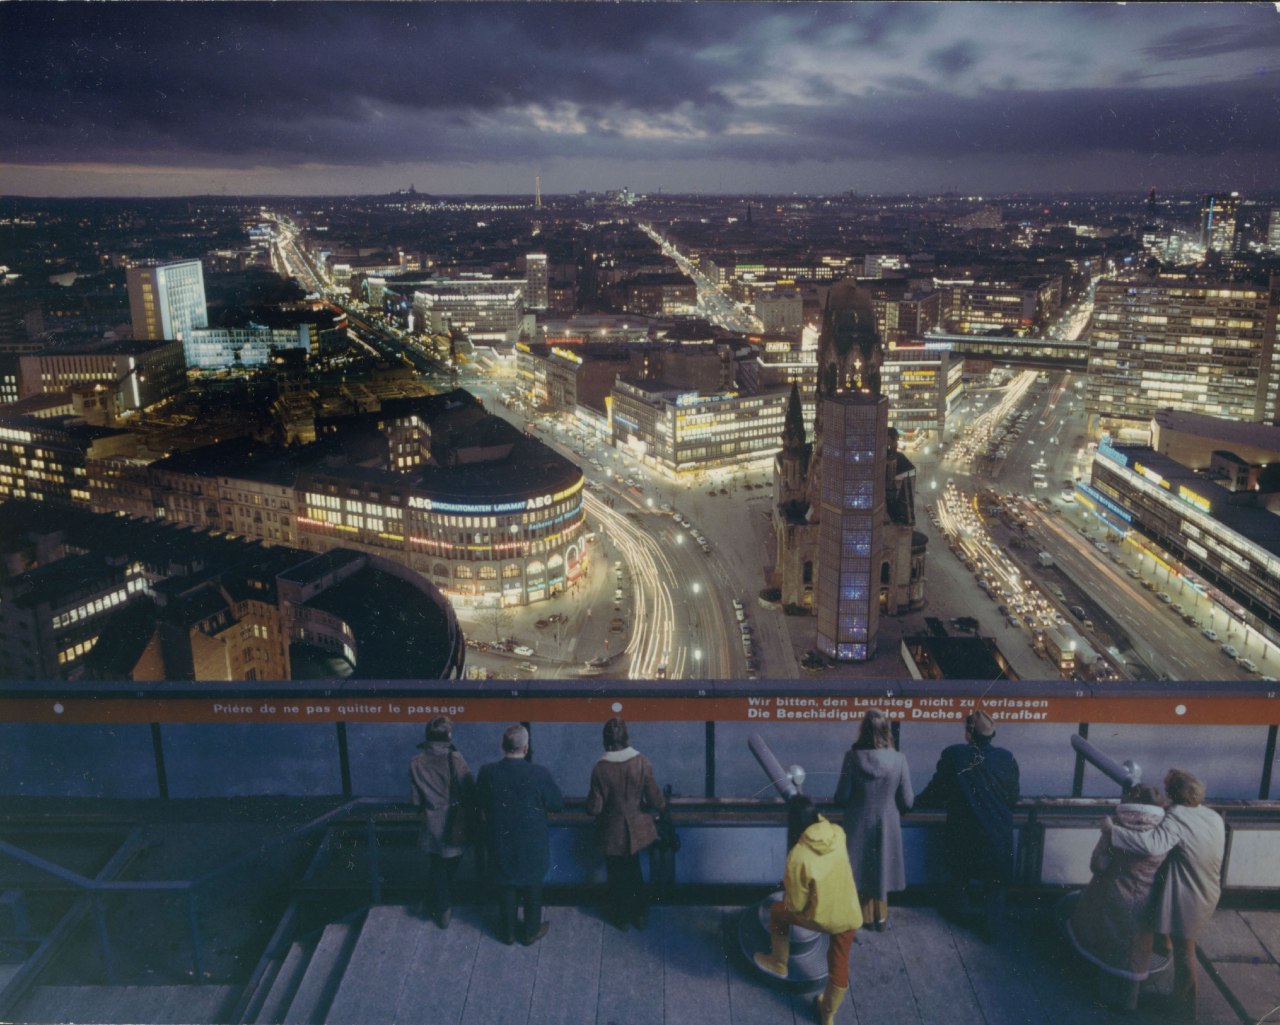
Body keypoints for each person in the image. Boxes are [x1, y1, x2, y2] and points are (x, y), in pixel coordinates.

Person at [1105, 769, 1225, 1023]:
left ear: (1173, 795)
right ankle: (1176, 992)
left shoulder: (1176, 817)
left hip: (1189, 896)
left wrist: (1113, 832)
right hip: (1208, 889)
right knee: (1177, 942)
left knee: (1186, 952)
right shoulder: (1211, 815)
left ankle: (1185, 1010)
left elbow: (1151, 845)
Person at [753, 795, 862, 1025]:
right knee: (839, 964)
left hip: (821, 918)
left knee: (777, 912)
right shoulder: (837, 834)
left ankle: (778, 963)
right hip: (850, 912)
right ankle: (828, 1013)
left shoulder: (798, 855)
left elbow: (796, 905)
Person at [916, 710, 1021, 942]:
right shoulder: (1006, 758)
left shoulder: (955, 755)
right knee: (995, 885)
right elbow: (1013, 798)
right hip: (998, 834)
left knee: (960, 874)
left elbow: (936, 792)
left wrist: (912, 804)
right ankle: (992, 928)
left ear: (968, 734)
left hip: (964, 834)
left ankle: (960, 915)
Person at [1067, 783, 1169, 1010]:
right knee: (1135, 950)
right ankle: (1128, 1003)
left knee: (1108, 945)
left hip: (1113, 894)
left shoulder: (1115, 825)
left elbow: (1098, 865)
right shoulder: (1163, 830)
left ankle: (1105, 998)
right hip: (1146, 898)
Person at [476, 724, 565, 946]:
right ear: (525, 748)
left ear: (503, 745)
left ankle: (507, 933)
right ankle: (530, 931)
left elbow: (480, 802)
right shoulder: (539, 773)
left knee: (506, 883)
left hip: (500, 839)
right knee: (533, 884)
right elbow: (556, 804)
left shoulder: (487, 772)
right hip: (532, 841)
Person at [834, 708, 914, 930]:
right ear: (886, 731)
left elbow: (841, 797)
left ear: (863, 732)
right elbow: (907, 801)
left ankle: (863, 917)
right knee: (881, 868)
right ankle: (880, 918)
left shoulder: (851, 758)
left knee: (860, 869)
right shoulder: (899, 760)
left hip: (858, 822)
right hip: (887, 824)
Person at [585, 717, 665, 931]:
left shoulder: (600, 768)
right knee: (635, 870)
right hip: (638, 830)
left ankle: (621, 918)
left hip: (612, 832)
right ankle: (639, 914)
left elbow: (595, 808)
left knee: (616, 874)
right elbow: (656, 799)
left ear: (605, 740)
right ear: (626, 737)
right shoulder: (641, 762)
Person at [407, 716, 474, 929]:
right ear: (448, 737)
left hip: (431, 820)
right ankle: (442, 909)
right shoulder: (455, 759)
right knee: (449, 864)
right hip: (455, 821)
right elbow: (469, 789)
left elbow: (415, 800)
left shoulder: (415, 762)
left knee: (437, 864)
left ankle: (431, 901)